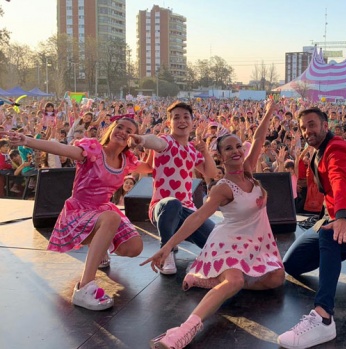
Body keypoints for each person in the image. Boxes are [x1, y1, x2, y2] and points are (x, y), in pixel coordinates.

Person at [141, 99, 285, 349]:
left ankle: (212, 280)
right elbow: (197, 217)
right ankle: (183, 330)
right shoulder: (221, 188)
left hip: (255, 242)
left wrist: (269, 112)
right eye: (228, 149)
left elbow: (260, 138)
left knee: (276, 279)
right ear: (220, 156)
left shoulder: (249, 171)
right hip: (228, 242)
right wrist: (167, 247)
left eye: (239, 146)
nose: (236, 151)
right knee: (236, 282)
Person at [1, 118, 152, 311]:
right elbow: (61, 149)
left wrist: (147, 143)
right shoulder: (93, 150)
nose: (122, 131)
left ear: (133, 137)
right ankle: (84, 288)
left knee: (134, 247)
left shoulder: (127, 161)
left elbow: (149, 168)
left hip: (102, 211)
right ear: (111, 129)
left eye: (129, 130)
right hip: (79, 210)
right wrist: (27, 140)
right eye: (119, 127)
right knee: (111, 217)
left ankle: (101, 249)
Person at [278, 107, 346, 349]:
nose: (307, 131)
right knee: (291, 265)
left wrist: (342, 215)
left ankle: (323, 317)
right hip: (334, 216)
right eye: (303, 127)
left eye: (312, 124)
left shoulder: (337, 148)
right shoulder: (317, 152)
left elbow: (340, 180)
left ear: (325, 125)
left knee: (329, 235)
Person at [130, 101, 218, 275]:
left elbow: (211, 172)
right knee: (173, 204)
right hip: (162, 208)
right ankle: (166, 252)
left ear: (193, 122)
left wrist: (206, 152)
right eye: (176, 117)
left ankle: (174, 240)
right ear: (169, 122)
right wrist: (142, 140)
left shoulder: (192, 150)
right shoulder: (166, 142)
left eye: (186, 117)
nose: (181, 121)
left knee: (216, 240)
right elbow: (154, 142)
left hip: (188, 212)